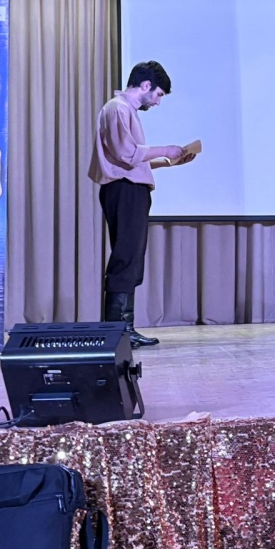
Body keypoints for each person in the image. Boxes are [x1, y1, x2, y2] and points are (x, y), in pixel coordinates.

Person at [88, 61, 195, 348]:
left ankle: (124, 328)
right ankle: (118, 331)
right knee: (126, 256)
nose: (158, 102)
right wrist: (166, 148)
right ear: (146, 86)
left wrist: (169, 161)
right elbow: (126, 153)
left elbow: (131, 160)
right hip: (124, 190)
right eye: (158, 94)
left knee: (132, 257)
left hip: (130, 188)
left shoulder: (126, 111)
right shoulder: (117, 108)